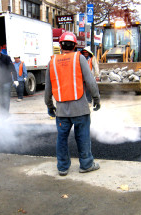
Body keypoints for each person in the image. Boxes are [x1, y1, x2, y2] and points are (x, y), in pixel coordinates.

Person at [45, 32, 101, 176]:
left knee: (61, 138)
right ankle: (86, 164)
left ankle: (63, 168)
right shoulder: (79, 58)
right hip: (80, 108)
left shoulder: (52, 62)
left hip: (62, 110)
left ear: (60, 45)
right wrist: (96, 98)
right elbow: (90, 81)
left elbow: (48, 89)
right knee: (82, 137)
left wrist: (50, 106)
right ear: (75, 45)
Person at [0, 44, 18, 116]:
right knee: (0, 98)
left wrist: (15, 79)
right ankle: (2, 113)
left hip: (6, 81)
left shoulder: (6, 58)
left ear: (0, 51)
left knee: (6, 98)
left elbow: (12, 69)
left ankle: (6, 113)